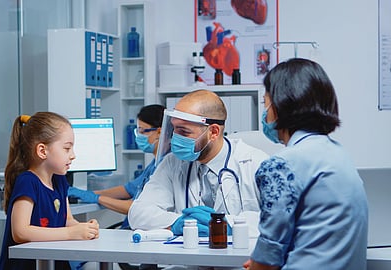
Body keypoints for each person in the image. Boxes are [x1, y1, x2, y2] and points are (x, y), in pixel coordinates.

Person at [243, 58, 368, 270]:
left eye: (266, 102)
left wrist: (258, 264)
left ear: (281, 105)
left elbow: (267, 260)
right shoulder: (339, 155)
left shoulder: (282, 164)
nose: (265, 112)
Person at [128, 90, 269, 237]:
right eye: (173, 129)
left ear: (213, 132)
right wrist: (181, 222)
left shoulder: (255, 163)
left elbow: (281, 219)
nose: (174, 138)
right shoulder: (172, 163)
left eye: (183, 132)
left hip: (240, 257)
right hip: (188, 256)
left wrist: (229, 225)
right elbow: (137, 213)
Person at [0, 112, 100, 270]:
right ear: (42, 151)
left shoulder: (59, 180)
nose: (73, 155)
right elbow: (20, 232)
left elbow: (67, 220)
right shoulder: (27, 182)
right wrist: (71, 233)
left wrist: (84, 229)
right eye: (67, 148)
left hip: (53, 263)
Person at [67, 104, 166, 230]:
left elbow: (140, 209)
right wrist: (88, 194)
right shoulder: (155, 163)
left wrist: (97, 198)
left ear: (159, 132)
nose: (138, 135)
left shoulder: (165, 165)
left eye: (142, 131)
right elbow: (129, 189)